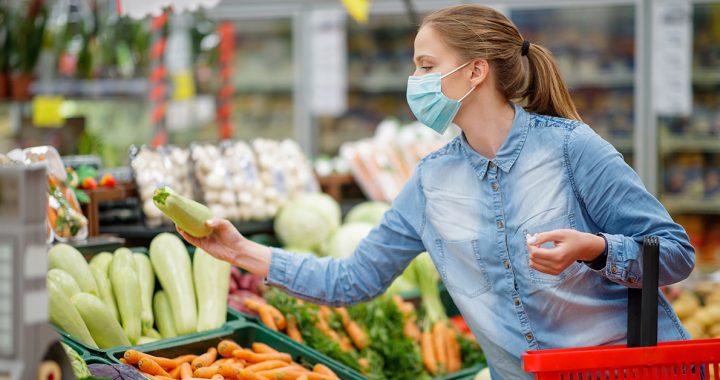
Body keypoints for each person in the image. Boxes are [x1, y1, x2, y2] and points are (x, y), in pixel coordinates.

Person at [178, 5, 695, 379]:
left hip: (624, 369)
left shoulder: (570, 149)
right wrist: (239, 250)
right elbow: (352, 280)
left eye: (426, 66)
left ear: (475, 71)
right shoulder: (431, 181)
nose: (414, 79)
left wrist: (597, 249)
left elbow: (675, 254)